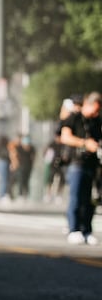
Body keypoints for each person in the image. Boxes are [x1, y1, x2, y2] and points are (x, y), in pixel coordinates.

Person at [58, 91, 102, 244]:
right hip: (76, 163)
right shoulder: (74, 117)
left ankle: (87, 230)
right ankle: (74, 229)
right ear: (87, 104)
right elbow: (65, 137)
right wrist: (84, 143)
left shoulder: (96, 121)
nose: (96, 113)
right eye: (95, 109)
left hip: (92, 164)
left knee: (89, 199)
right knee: (75, 197)